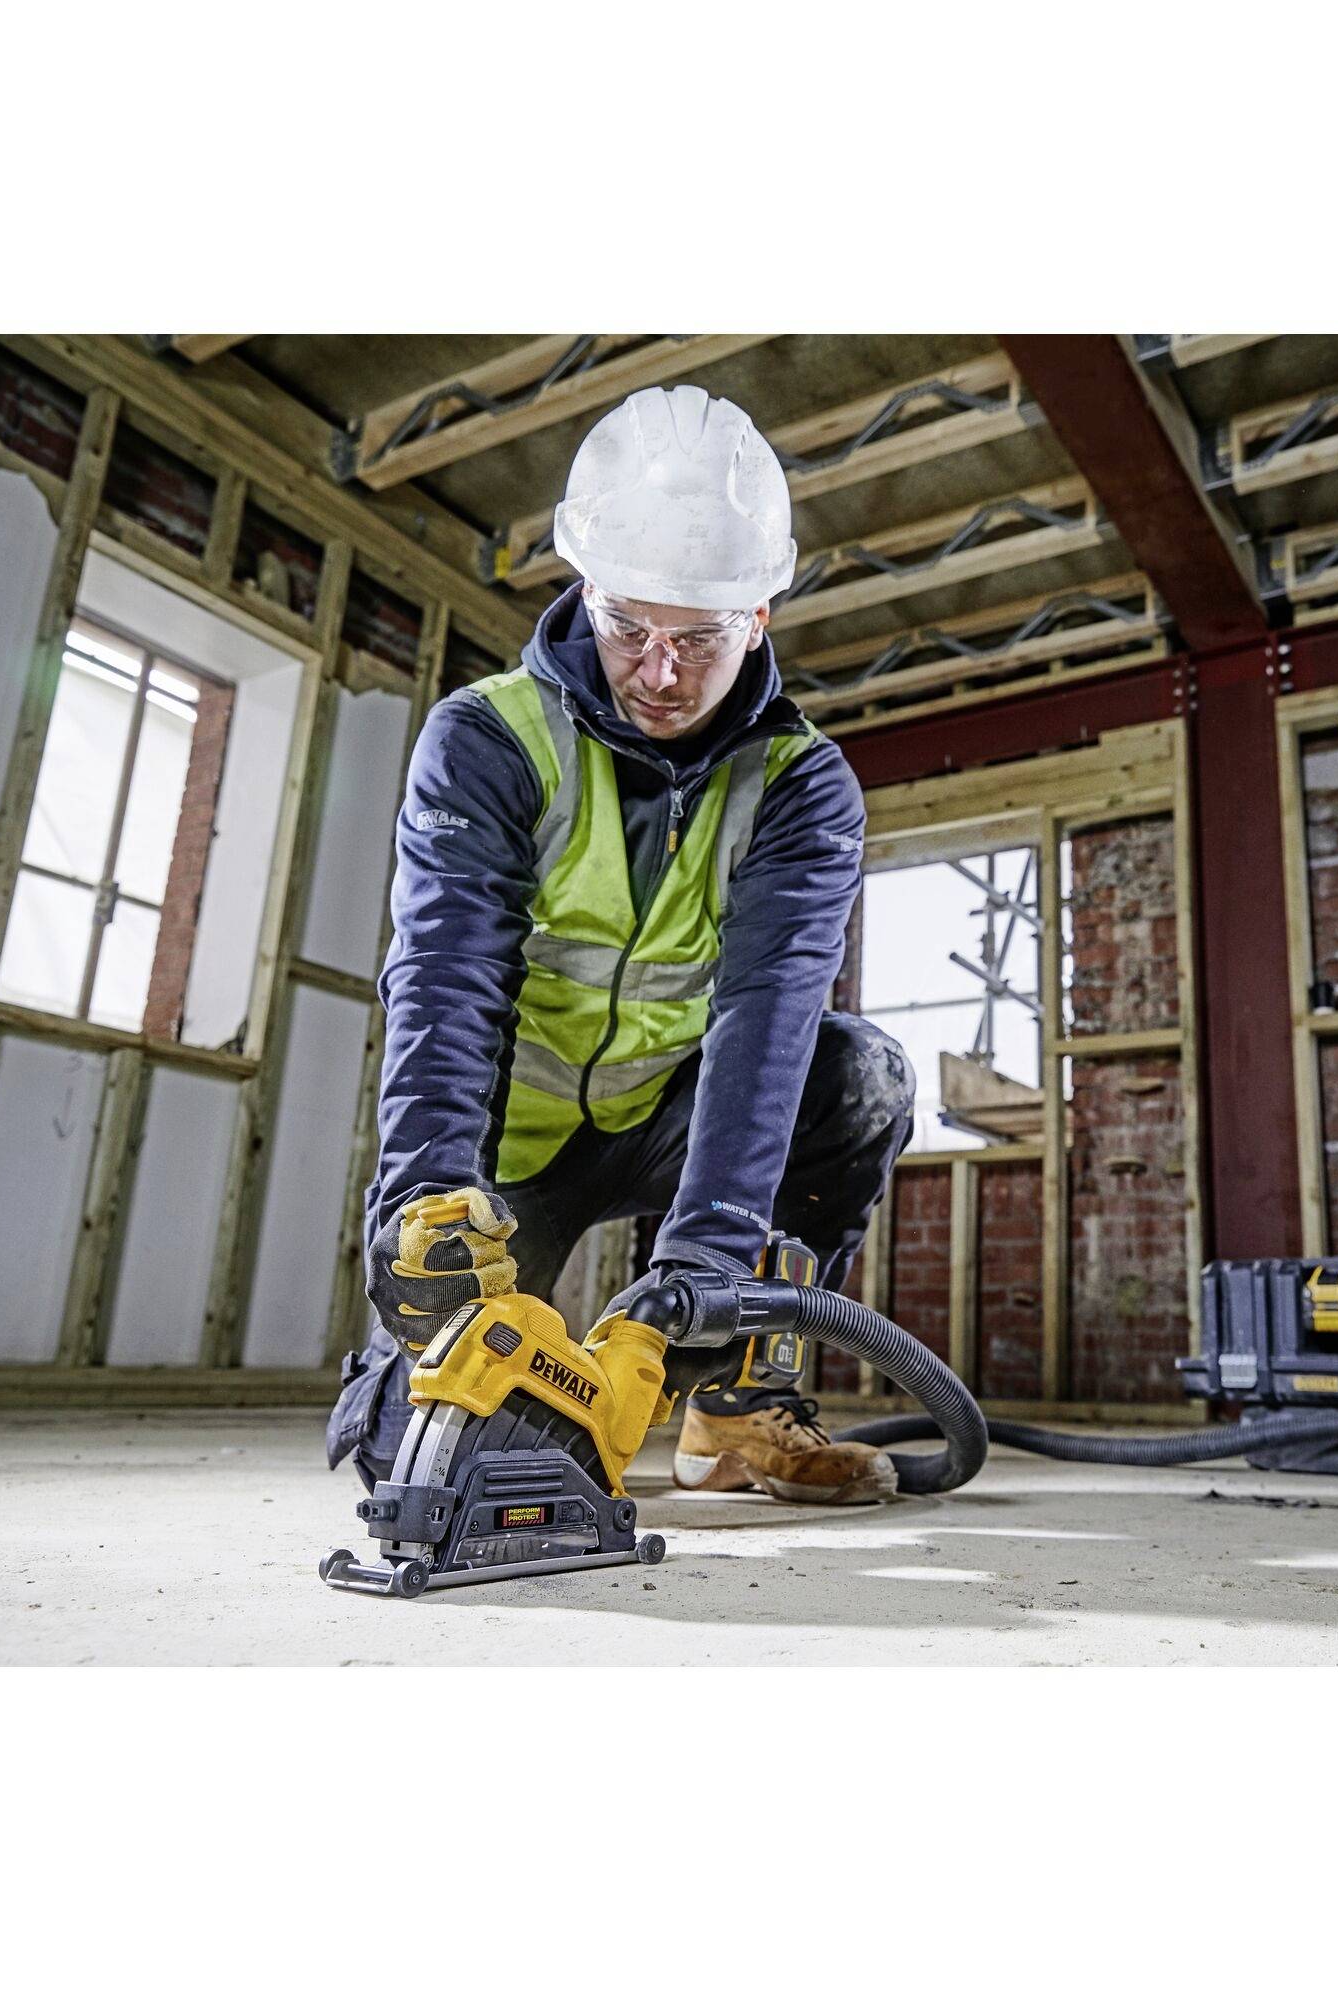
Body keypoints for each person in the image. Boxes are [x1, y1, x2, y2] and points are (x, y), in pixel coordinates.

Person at [326, 384, 913, 1505]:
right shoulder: (489, 737)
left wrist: (702, 1260)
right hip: (512, 1149)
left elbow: (765, 1023)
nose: (657, 672)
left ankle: (735, 1410)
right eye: (627, 628)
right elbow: (446, 978)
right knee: (421, 1453)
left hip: (669, 1126)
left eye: (697, 639)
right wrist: (425, 1197)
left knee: (858, 1080)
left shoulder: (801, 788)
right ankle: (414, 1359)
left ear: (759, 619)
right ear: (583, 589)